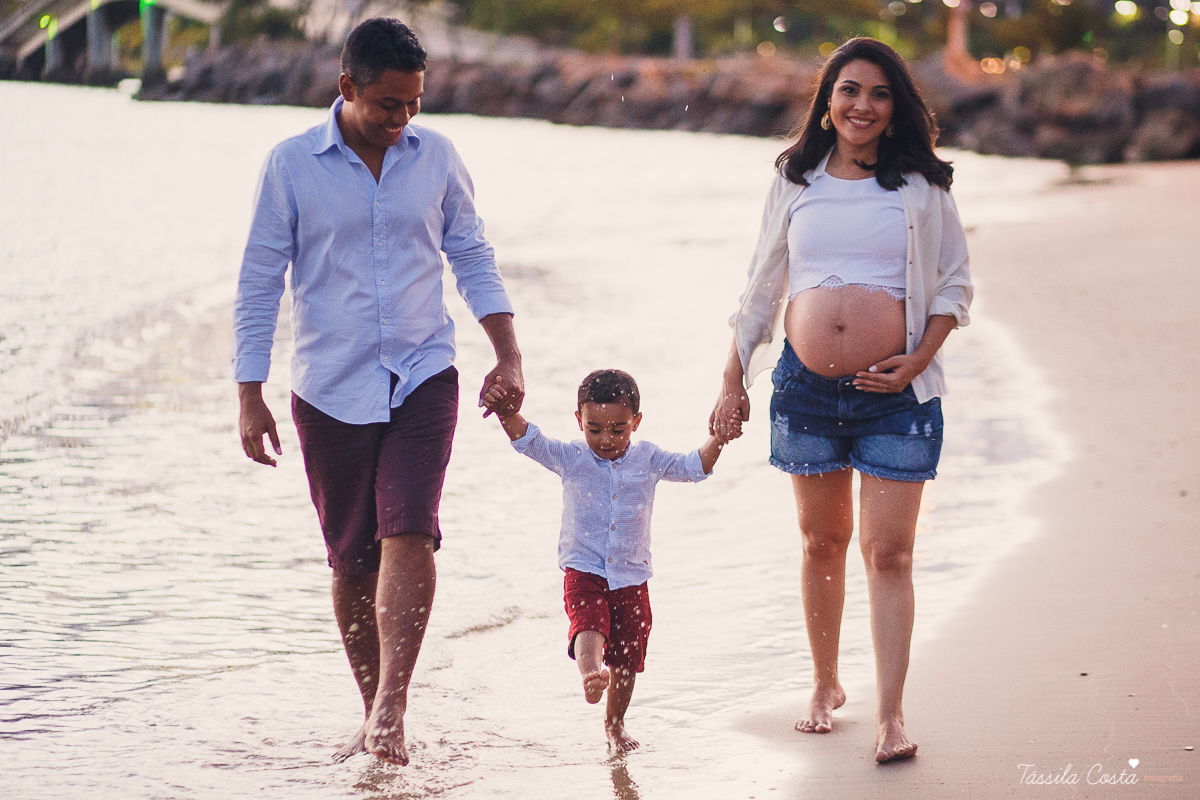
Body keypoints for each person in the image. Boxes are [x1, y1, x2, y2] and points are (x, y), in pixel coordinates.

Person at [233, 18, 524, 766]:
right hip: (328, 387)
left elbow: (472, 255)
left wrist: (507, 355)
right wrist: (249, 393)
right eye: (387, 105)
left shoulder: (437, 159)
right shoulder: (292, 165)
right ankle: (373, 711)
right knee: (353, 560)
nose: (401, 121)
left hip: (425, 373)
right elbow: (260, 281)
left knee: (411, 528)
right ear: (347, 88)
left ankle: (393, 708)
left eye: (414, 105)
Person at [710, 38, 972, 763]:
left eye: (880, 93)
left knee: (889, 553)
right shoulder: (795, 179)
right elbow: (761, 286)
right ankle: (826, 685)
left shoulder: (923, 185)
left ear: (897, 109)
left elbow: (954, 285)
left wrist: (916, 360)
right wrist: (732, 379)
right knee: (820, 543)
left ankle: (891, 716)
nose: (863, 105)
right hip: (805, 391)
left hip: (898, 398)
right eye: (850, 90)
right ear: (828, 100)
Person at [484, 369, 723, 753]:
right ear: (579, 420)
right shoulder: (572, 457)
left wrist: (720, 438)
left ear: (636, 422)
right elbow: (531, 442)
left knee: (628, 656)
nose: (605, 439)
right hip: (584, 568)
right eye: (594, 429)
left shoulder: (649, 458)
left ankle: (615, 724)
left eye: (618, 429)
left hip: (632, 575)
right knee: (588, 623)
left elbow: (695, 467)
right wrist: (505, 412)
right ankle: (591, 674)